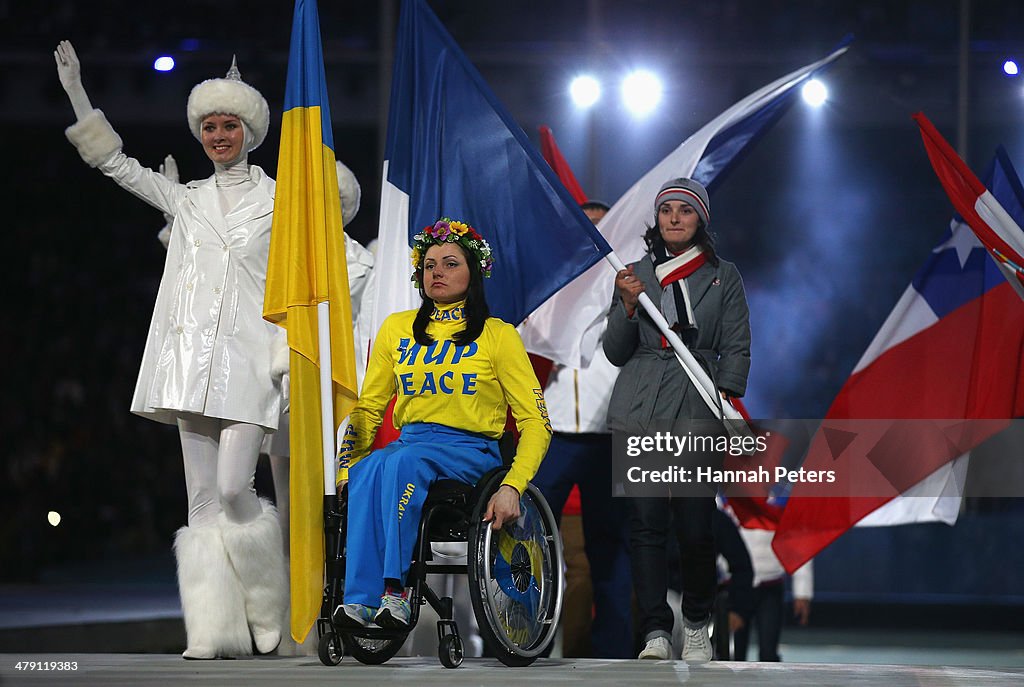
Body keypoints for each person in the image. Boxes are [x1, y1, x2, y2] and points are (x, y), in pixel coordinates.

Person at [55, 40, 288, 659]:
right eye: (209, 125)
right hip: (192, 364)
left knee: (238, 489)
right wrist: (78, 93)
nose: (218, 134)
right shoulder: (185, 200)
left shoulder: (282, 199)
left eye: (228, 124)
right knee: (203, 501)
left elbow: (296, 279)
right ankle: (212, 628)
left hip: (251, 359)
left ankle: (267, 602)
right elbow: (118, 166)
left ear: (249, 131)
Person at [333, 218, 551, 629]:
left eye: (450, 263)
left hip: (470, 451)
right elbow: (368, 408)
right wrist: (347, 462)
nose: (437, 271)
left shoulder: (497, 335)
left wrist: (512, 486)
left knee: (400, 463)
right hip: (412, 443)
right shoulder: (396, 329)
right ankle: (359, 601)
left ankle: (396, 592)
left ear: (474, 273)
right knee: (366, 470)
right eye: (430, 264)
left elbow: (537, 423)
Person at [604, 178, 751, 663]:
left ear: (700, 219)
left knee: (695, 525)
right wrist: (626, 306)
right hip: (640, 407)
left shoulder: (722, 275)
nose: (673, 218)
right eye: (666, 209)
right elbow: (615, 351)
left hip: (695, 404)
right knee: (645, 525)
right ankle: (654, 632)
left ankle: (695, 623)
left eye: (683, 211)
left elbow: (737, 343)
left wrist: (725, 394)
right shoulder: (632, 274)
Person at [532, 199, 633, 658]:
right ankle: (524, 636)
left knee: (610, 547)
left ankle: (614, 649)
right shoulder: (551, 291)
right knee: (528, 536)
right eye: (585, 231)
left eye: (601, 230)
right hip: (554, 430)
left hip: (613, 432)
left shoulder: (635, 291)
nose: (592, 239)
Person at [732, 520, 813, 661]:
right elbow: (716, 537)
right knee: (732, 655)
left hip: (770, 587)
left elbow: (799, 541)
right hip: (735, 588)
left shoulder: (783, 501)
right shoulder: (725, 500)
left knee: (768, 655)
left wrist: (802, 591)